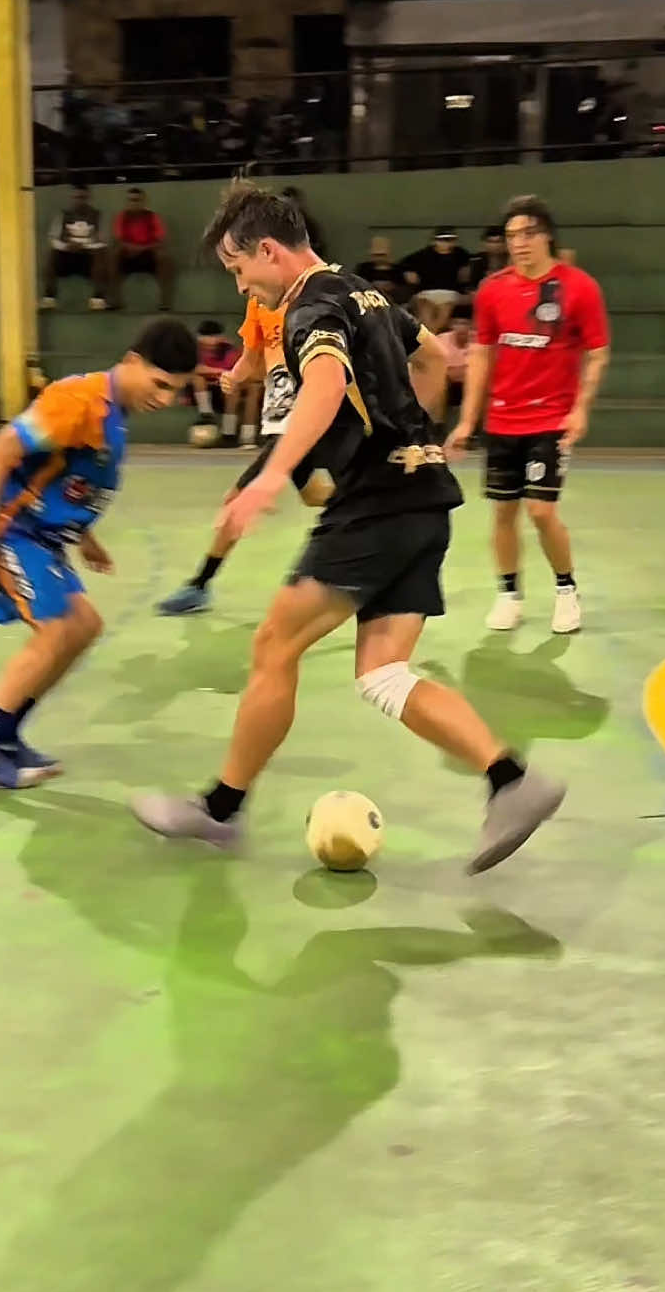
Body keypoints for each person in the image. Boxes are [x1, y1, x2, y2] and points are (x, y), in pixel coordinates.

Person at [134, 180, 565, 872]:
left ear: (269, 252)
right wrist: (410, 435)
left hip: (374, 509)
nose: (245, 290)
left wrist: (273, 476)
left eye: (241, 272)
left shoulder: (309, 307)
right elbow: (432, 358)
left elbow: (328, 384)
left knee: (274, 645)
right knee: (382, 673)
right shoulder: (364, 291)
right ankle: (511, 781)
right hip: (425, 500)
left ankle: (219, 811)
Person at [0, 318, 199, 789]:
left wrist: (84, 536)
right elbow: (0, 452)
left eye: (175, 392)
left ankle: (4, 736)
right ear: (131, 362)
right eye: (160, 384)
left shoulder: (112, 414)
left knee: (84, 627)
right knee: (56, 629)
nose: (164, 399)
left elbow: (66, 478)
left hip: (38, 534)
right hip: (2, 529)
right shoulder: (78, 401)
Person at [447, 195, 610, 636]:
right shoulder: (493, 290)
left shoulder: (579, 287)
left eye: (528, 234)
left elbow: (597, 353)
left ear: (547, 236)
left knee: (540, 510)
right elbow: (481, 355)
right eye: (512, 236)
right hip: (503, 421)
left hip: (551, 420)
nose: (519, 243)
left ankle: (565, 590)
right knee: (503, 512)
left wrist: (580, 409)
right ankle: (509, 595)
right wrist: (467, 421)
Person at [156, 289, 336, 616]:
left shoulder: (312, 299)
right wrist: (234, 377)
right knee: (315, 495)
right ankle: (379, 502)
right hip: (277, 421)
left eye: (241, 268)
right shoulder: (257, 306)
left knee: (236, 501)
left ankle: (199, 585)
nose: (240, 283)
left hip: (300, 423)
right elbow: (254, 358)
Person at [42, 183, 110, 310]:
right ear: (72, 198)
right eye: (77, 197)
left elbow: (103, 241)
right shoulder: (63, 215)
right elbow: (53, 239)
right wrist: (67, 246)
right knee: (52, 253)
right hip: (68, 255)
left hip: (89, 257)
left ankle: (98, 299)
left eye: (83, 197)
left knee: (101, 253)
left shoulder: (97, 215)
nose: (80, 201)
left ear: (88, 198)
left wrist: (84, 246)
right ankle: (49, 298)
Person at [110, 187, 175, 311]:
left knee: (164, 258)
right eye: (131, 200)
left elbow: (160, 240)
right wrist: (131, 248)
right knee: (114, 255)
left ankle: (164, 302)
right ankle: (115, 300)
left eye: (137, 200)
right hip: (127, 254)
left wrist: (142, 248)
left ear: (143, 202)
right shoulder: (122, 217)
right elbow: (118, 239)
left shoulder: (152, 216)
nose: (134, 203)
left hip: (148, 253)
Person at [398, 227, 472, 315]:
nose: (445, 243)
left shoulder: (461, 255)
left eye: (449, 240)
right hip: (426, 294)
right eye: (442, 240)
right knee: (425, 306)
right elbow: (402, 266)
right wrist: (408, 272)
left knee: (446, 306)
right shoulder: (423, 255)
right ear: (434, 241)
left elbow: (474, 267)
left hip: (451, 295)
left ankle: (430, 329)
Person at [353, 235, 402, 300]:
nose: (380, 258)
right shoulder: (363, 269)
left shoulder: (397, 270)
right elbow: (355, 287)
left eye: (382, 255)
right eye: (377, 255)